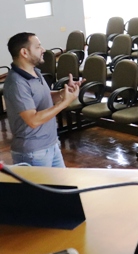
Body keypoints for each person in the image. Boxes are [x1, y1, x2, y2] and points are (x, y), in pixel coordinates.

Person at [4, 32, 82, 167]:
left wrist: (63, 92)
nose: (43, 50)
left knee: (63, 181)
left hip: (50, 144)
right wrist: (64, 103)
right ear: (24, 52)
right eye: (38, 47)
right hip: (33, 152)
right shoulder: (17, 83)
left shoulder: (35, 72)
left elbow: (44, 97)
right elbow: (33, 120)